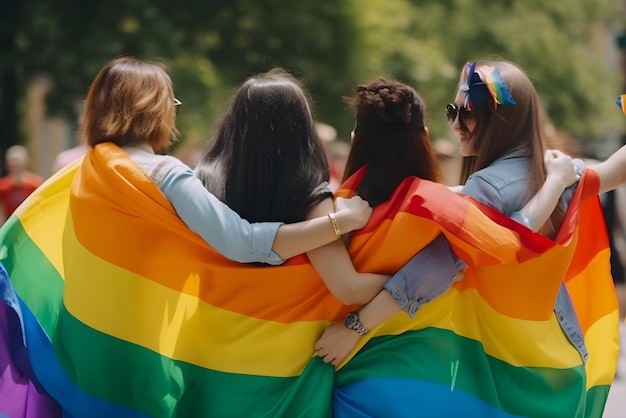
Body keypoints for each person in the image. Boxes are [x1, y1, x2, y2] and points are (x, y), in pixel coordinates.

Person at [0, 56, 374, 418]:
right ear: (155, 109)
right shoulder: (165, 175)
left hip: (81, 342)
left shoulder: (87, 171)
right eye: (172, 102)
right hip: (143, 347)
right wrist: (343, 222)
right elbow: (242, 243)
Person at [315, 60, 624, 417]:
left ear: (501, 121)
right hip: (555, 361)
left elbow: (436, 267)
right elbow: (616, 170)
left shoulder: (488, 188)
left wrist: (355, 328)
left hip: (499, 367)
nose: (456, 125)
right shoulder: (560, 170)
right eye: (452, 111)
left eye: (467, 114)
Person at [0, 145, 44, 225]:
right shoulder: (2, 187)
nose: (15, 164)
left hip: (30, 227)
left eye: (18, 161)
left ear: (26, 162)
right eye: (12, 161)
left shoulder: (36, 184)